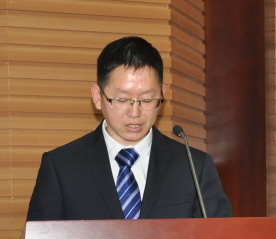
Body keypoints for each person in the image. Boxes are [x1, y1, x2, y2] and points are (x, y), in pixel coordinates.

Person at [25, 36, 232, 221]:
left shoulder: (194, 167)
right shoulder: (61, 167)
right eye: (122, 99)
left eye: (147, 99)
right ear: (97, 97)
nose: (135, 112)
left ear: (162, 94)